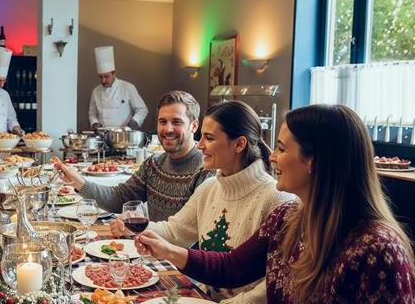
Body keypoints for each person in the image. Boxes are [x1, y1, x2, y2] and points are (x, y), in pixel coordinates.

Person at [136, 104, 415, 304]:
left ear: (313, 161)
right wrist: (168, 250)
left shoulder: (377, 250)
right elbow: (232, 267)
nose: (271, 157)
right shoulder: (288, 217)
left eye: (282, 149)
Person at [110, 101, 296, 303]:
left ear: (239, 144)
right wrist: (133, 229)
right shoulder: (209, 188)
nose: (199, 145)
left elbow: (273, 283)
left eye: (209, 138)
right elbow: (175, 232)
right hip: (202, 296)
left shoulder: (277, 200)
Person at [55, 90, 213, 222]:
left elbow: (187, 231)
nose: (168, 129)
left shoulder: (206, 169)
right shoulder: (154, 164)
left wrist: (142, 230)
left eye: (177, 122)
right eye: (162, 121)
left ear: (194, 126)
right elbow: (119, 198)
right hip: (151, 252)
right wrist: (78, 181)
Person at [88, 45, 149, 130]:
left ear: (114, 73)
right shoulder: (96, 91)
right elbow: (92, 113)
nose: (103, 81)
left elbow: (142, 109)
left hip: (123, 135)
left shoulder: (127, 87)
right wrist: (94, 123)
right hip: (103, 135)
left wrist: (134, 122)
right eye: (100, 77)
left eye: (106, 76)